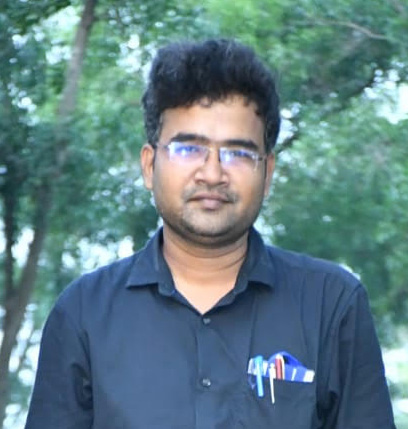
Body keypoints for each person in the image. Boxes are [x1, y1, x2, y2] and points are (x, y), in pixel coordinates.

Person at [25, 39, 395, 429]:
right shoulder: (84, 312)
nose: (213, 173)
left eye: (238, 153)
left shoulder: (331, 304)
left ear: (267, 173)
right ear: (149, 166)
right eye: (188, 149)